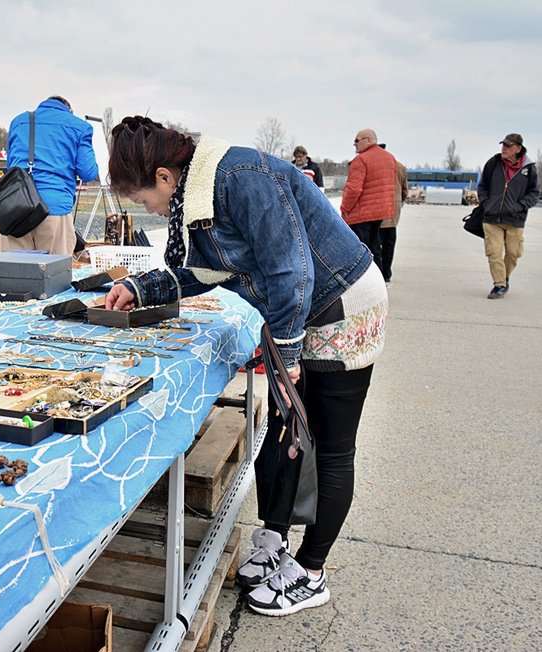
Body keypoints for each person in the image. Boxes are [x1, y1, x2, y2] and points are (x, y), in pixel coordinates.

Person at [104, 116, 387, 617]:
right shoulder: (198, 197)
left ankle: (312, 569)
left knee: (330, 443)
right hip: (295, 311)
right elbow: (204, 268)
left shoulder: (241, 179)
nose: (144, 208)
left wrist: (288, 356)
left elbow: (290, 270)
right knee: (285, 432)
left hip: (342, 303)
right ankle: (275, 536)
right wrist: (141, 288)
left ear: (166, 177)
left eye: (142, 198)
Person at [0, 96, 98, 256]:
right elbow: (88, 173)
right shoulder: (80, 126)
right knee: (54, 276)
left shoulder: (19, 122)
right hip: (54, 208)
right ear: (68, 110)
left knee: (16, 275)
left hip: (15, 209)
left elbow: (11, 167)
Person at [476, 133, 540, 299]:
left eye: (508, 146)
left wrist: (520, 206)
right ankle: (499, 285)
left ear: (518, 149)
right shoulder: (494, 163)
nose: (504, 148)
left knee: (513, 253)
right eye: (503, 145)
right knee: (494, 253)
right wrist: (486, 203)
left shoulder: (529, 168)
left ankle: (504, 277)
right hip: (491, 218)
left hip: (515, 219)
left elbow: (534, 193)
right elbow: (482, 186)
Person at [340, 129, 398, 273]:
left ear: (369, 140)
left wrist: (345, 209)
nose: (355, 145)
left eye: (357, 141)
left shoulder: (361, 160)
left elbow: (353, 189)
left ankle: (362, 283)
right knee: (375, 248)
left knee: (359, 252)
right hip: (380, 212)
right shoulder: (390, 158)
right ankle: (378, 280)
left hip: (361, 213)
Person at [377, 144, 408, 284]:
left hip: (375, 214)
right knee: (389, 245)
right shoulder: (400, 166)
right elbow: (404, 191)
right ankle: (387, 273)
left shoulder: (373, 165)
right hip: (392, 214)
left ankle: (377, 273)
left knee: (374, 245)